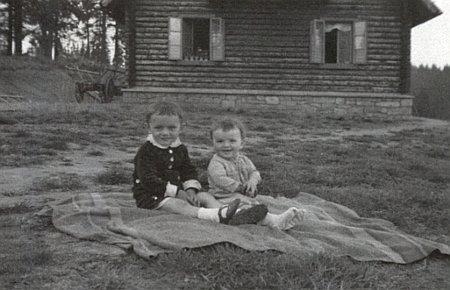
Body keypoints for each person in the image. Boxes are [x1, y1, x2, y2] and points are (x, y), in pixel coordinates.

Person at [130, 100, 264, 225]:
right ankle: (214, 216)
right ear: (149, 128)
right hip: (151, 196)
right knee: (179, 205)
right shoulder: (146, 152)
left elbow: (187, 170)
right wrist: (177, 192)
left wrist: (190, 189)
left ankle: (230, 213)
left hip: (179, 191)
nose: (165, 133)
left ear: (180, 127)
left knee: (204, 196)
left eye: (171, 128)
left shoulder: (180, 148)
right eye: (158, 128)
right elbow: (148, 180)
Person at [208, 117, 305, 230]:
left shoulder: (244, 160)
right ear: (212, 143)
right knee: (245, 208)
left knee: (253, 206)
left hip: (242, 196)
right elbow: (219, 178)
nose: (226, 145)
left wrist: (252, 181)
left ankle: (268, 220)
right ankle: (274, 221)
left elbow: (254, 172)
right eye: (220, 141)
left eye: (232, 141)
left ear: (241, 143)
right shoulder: (216, 162)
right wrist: (240, 187)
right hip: (223, 197)